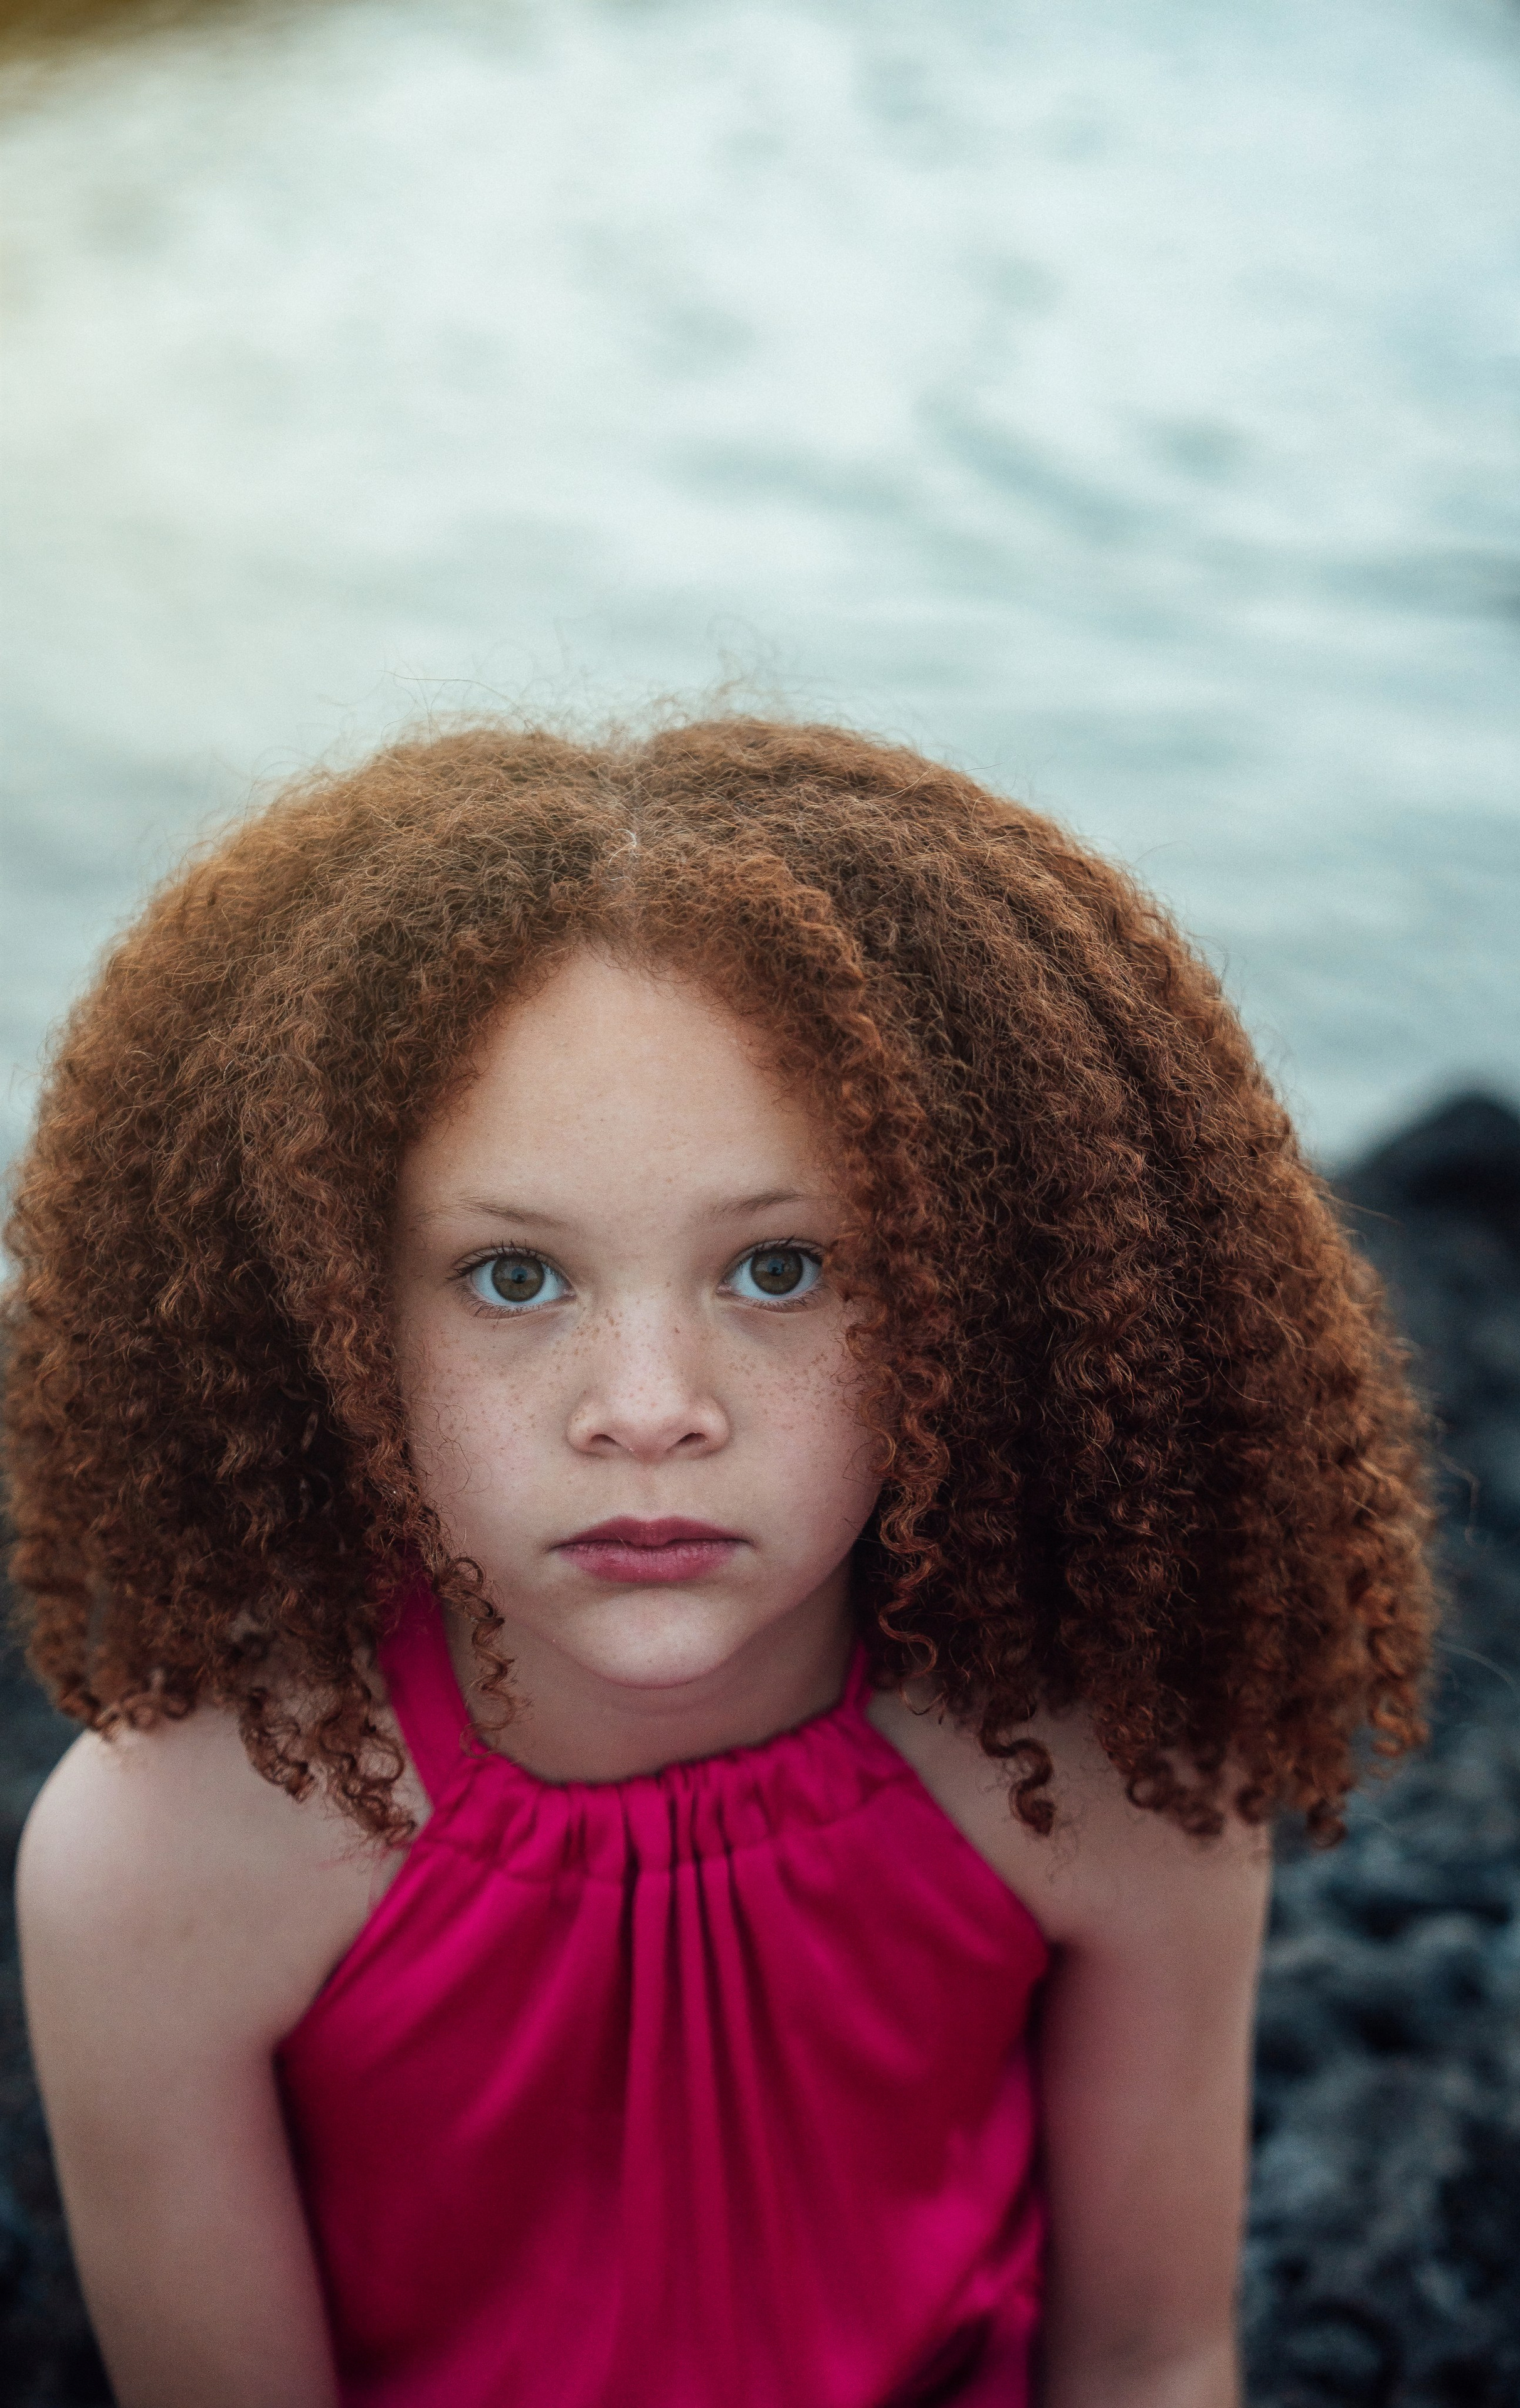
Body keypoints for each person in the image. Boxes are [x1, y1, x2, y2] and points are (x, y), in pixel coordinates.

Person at [5, 717, 1433, 2408]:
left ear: (978, 1283)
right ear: (323, 1313)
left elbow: (1148, 2356)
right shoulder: (168, 1864)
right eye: (514, 1278)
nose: (650, 1413)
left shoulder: (1099, 1765)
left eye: (780, 1268)